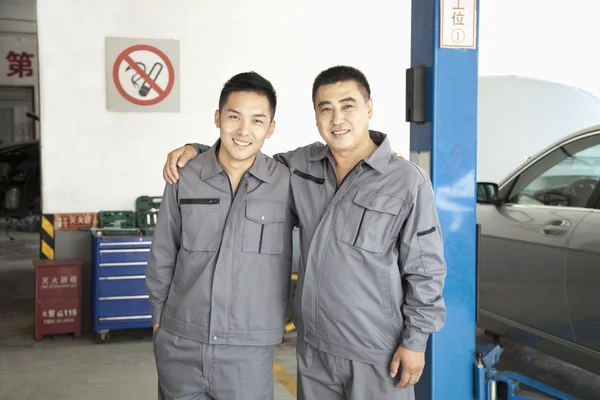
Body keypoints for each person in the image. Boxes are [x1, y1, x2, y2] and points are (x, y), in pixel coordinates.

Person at [162, 65, 447, 400]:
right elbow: (242, 155)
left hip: (377, 351)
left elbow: (425, 270)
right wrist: (196, 150)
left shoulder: (406, 180)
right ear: (315, 116)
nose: (337, 118)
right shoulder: (300, 167)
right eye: (325, 108)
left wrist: (415, 341)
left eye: (348, 105)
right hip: (313, 351)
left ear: (369, 109)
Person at [146, 71, 296, 400]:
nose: (244, 131)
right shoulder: (184, 175)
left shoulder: (286, 182)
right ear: (218, 118)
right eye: (233, 117)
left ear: (271, 128)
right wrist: (159, 322)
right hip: (181, 341)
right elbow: (163, 252)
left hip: (248, 352)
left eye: (257, 120)